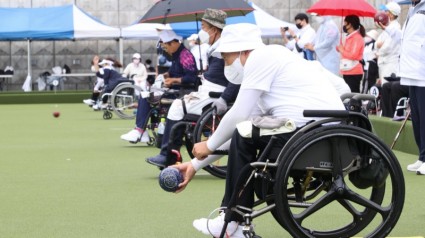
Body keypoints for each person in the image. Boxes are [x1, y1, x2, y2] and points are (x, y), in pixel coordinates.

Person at [171, 23, 345, 237]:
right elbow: (240, 123)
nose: (226, 64)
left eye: (226, 57)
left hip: (311, 132)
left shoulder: (261, 57)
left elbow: (238, 115)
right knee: (244, 134)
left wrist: (208, 144)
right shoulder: (269, 60)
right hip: (312, 130)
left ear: (243, 50)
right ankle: (235, 221)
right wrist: (195, 165)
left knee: (244, 136)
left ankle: (232, 222)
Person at [143, 8, 240, 168]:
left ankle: (168, 156)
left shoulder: (224, 47)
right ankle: (169, 153)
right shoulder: (216, 46)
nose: (201, 31)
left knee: (176, 107)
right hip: (208, 90)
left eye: (203, 27)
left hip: (216, 94)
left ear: (214, 30)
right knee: (176, 105)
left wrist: (224, 98)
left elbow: (236, 78)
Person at [120, 29, 198, 143]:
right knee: (145, 94)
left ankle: (140, 131)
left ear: (172, 43)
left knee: (145, 96)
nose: (165, 49)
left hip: (182, 92)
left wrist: (173, 80)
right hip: (174, 89)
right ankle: (141, 130)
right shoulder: (177, 55)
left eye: (166, 47)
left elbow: (191, 78)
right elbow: (173, 72)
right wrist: (165, 75)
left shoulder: (185, 55)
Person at [402, 0, 425, 174]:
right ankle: (422, 156)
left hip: (422, 69)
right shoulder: (412, 9)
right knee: (417, 116)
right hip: (412, 71)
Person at [336, 15, 366, 93]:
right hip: (347, 70)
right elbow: (347, 52)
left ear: (350, 24)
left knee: (354, 95)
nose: (344, 25)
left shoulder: (357, 38)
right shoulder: (349, 37)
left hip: (354, 71)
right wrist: (340, 49)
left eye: (345, 22)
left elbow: (353, 55)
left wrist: (342, 50)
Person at [376, 1, 402, 85]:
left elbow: (388, 47)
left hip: (390, 64)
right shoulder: (388, 27)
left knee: (388, 88)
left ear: (391, 14)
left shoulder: (395, 27)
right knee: (384, 89)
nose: (383, 13)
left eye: (386, 11)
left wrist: (379, 51)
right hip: (383, 63)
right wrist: (378, 46)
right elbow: (377, 44)